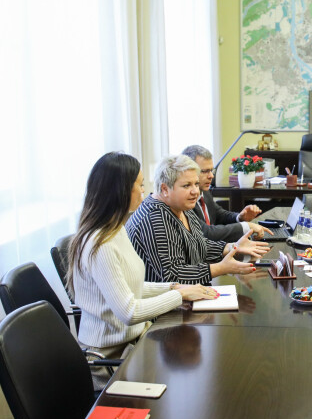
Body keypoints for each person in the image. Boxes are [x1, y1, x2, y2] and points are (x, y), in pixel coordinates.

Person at [67, 152, 219, 389]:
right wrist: (178, 295)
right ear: (120, 191)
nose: (144, 190)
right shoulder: (101, 244)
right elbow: (128, 311)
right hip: (111, 362)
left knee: (196, 373)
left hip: (134, 345)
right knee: (189, 381)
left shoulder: (115, 229)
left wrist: (174, 287)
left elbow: (131, 286)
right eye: (139, 185)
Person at [126, 154, 270, 285]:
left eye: (195, 184)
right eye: (187, 185)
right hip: (164, 308)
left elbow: (198, 244)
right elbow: (172, 276)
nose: (195, 191)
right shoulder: (155, 217)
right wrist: (220, 268)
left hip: (187, 296)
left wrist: (233, 247)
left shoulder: (180, 206)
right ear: (164, 189)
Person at [181, 145, 271, 242]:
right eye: (205, 171)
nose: (211, 176)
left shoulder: (204, 191)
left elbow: (219, 214)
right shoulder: (185, 199)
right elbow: (206, 233)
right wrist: (246, 226)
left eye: (211, 170)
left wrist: (239, 217)